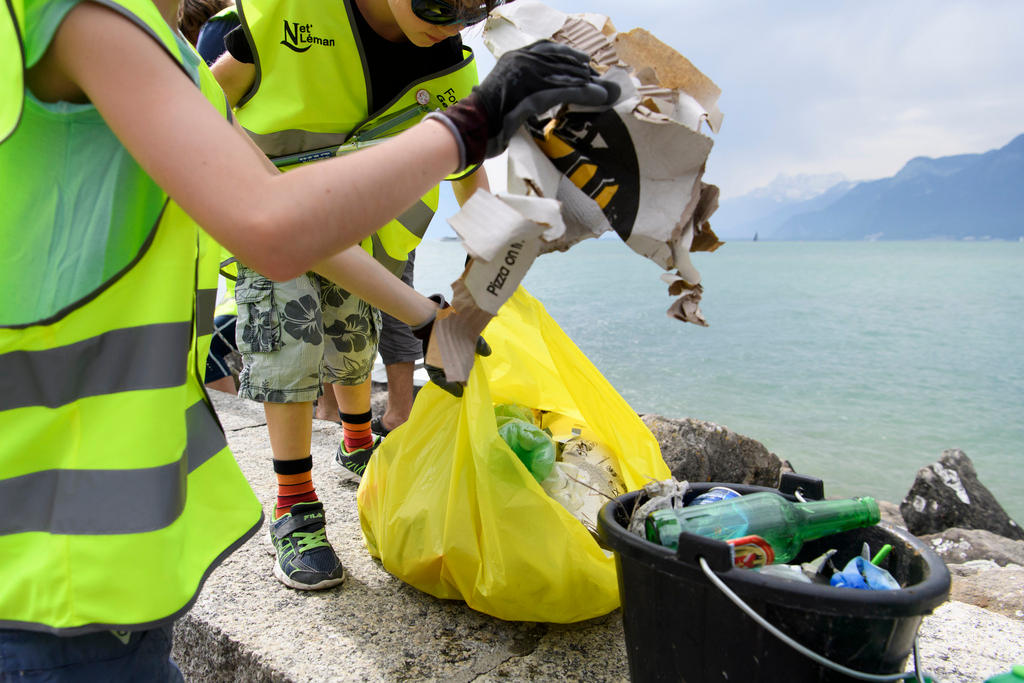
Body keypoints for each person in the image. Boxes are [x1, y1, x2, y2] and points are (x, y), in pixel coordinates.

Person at [0, 0, 619, 670]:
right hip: (46, 573)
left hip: (95, 560)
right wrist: (475, 120)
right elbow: (271, 225)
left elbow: (292, 227)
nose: (456, 14)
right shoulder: (84, 16)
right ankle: (294, 505)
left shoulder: (177, 67)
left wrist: (427, 319)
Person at [208, 0, 494, 590]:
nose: (453, 20)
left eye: (479, 5)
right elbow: (207, 98)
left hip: (353, 234)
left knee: (353, 332)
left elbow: (476, 192)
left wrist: (488, 288)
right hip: (265, 221)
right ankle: (295, 505)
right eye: (440, 0)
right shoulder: (290, 14)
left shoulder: (452, 74)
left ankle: (357, 440)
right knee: (289, 332)